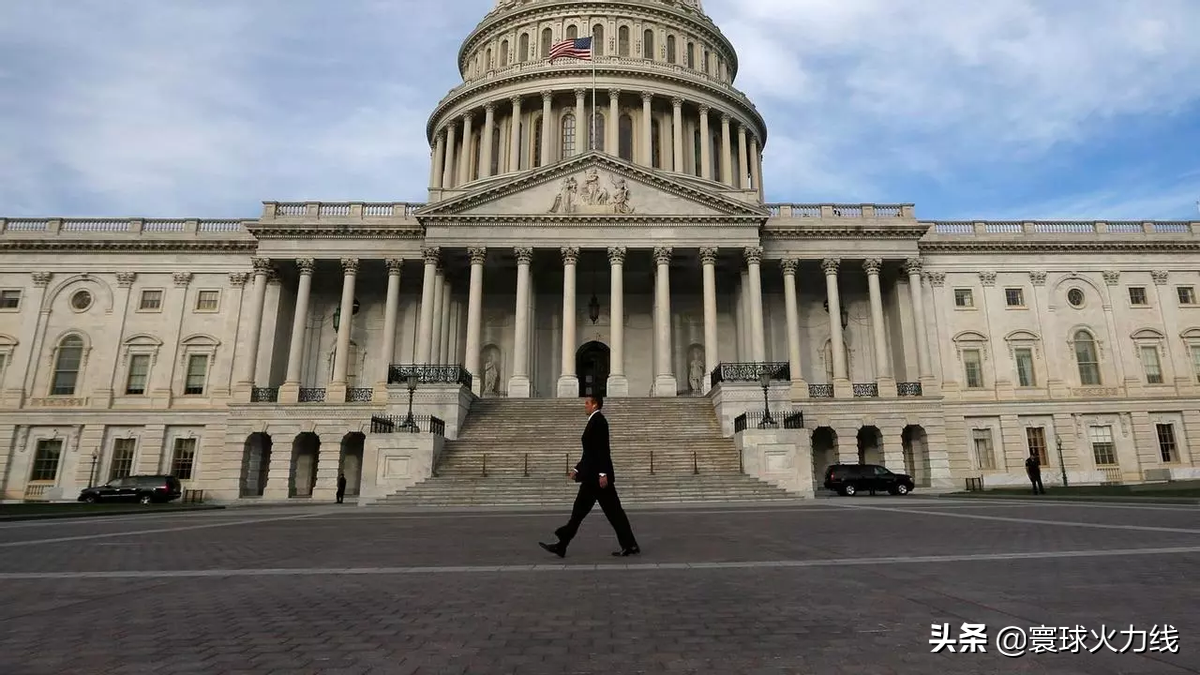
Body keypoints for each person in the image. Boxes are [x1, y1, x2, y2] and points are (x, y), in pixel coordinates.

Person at [539, 395, 640, 558]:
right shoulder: (594, 421)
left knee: (600, 512)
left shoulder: (599, 421)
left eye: (587, 403)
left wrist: (602, 473)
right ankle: (563, 543)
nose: (584, 406)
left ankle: (563, 542)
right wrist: (577, 469)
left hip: (597, 480)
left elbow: (601, 450)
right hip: (593, 478)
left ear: (595, 405)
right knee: (597, 512)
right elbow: (590, 452)